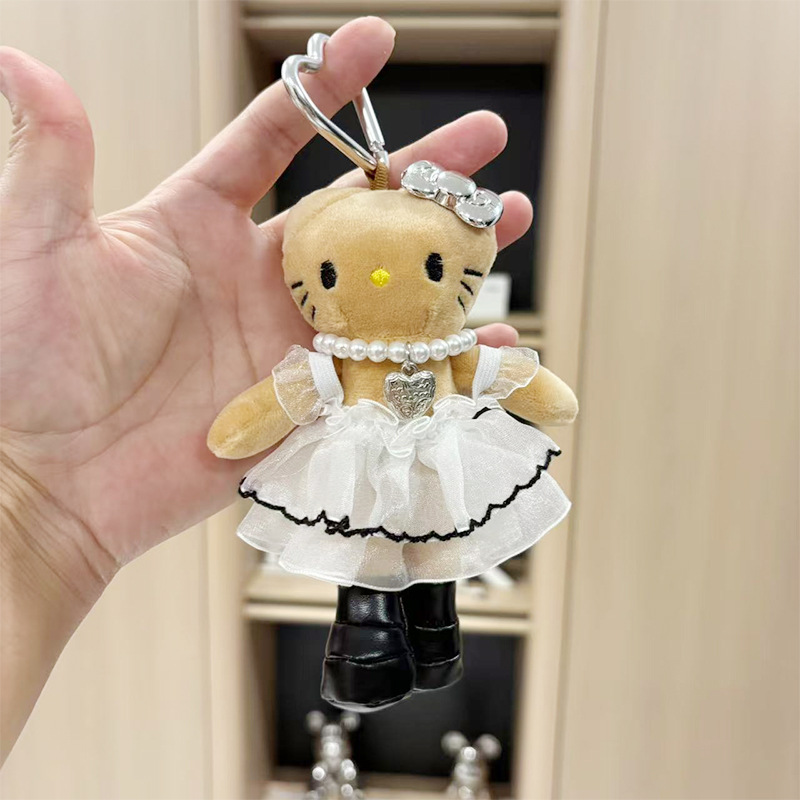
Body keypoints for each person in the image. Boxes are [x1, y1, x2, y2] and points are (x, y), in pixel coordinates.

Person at [0, 17, 532, 763]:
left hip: (438, 461)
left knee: (439, 552)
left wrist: (30, 513)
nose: (383, 277)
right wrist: (25, 502)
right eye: (337, 273)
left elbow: (502, 374)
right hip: (362, 472)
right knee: (368, 560)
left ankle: (437, 639)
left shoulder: (449, 354)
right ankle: (366, 648)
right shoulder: (333, 362)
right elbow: (279, 400)